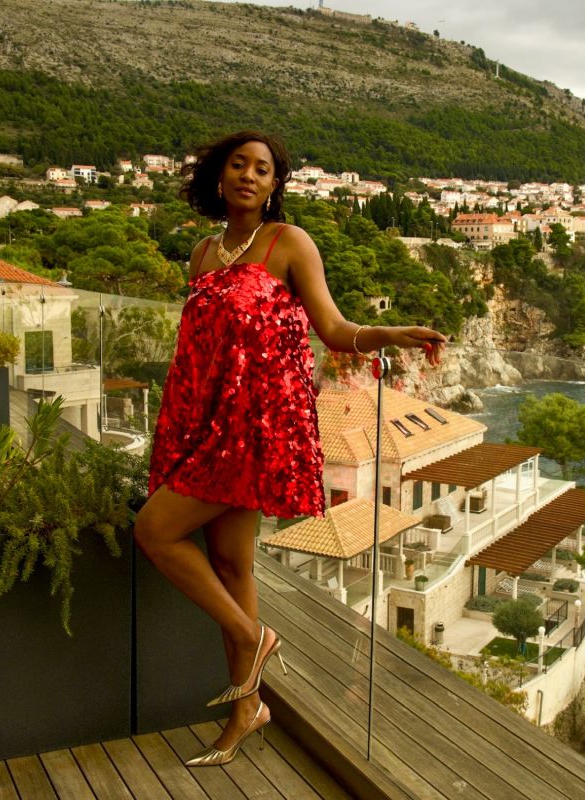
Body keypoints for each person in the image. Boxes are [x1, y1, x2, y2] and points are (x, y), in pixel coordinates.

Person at [134, 130, 446, 767]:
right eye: (239, 165)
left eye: (264, 169)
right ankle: (249, 708)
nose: (250, 175)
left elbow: (332, 328)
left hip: (258, 426)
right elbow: (198, 349)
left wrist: (391, 332)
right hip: (205, 421)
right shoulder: (202, 252)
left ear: (276, 184)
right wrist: (184, 422)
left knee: (155, 531)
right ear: (219, 178)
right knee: (231, 567)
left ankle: (254, 636)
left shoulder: (289, 243)